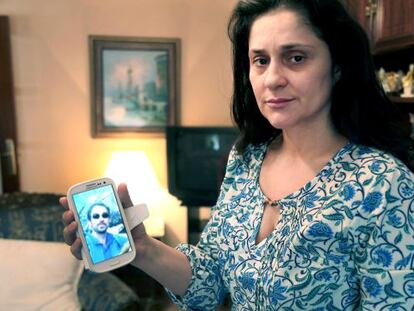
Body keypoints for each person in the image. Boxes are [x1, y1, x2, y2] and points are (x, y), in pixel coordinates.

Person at [62, 0, 414, 309]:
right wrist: (143, 248)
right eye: (260, 60)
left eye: (296, 58)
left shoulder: (384, 184)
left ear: (338, 66)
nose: (272, 78)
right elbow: (210, 283)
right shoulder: (246, 159)